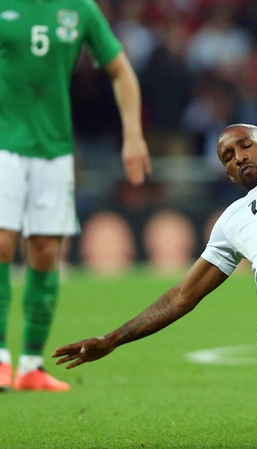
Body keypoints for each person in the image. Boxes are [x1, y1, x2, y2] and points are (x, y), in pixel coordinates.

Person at [53, 124, 257, 447]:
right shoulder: (229, 220)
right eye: (227, 156)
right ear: (227, 173)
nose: (238, 157)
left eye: (245, 145)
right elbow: (182, 296)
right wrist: (112, 339)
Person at [0, 0, 151, 391]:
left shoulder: (80, 9)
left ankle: (31, 364)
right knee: (0, 242)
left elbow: (120, 71)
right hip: (4, 143)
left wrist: (133, 135)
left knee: (47, 251)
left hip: (54, 149)